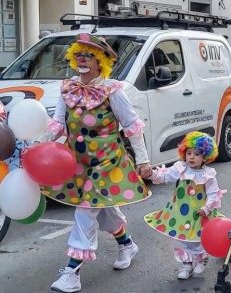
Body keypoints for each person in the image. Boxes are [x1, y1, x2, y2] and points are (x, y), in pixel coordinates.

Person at [41, 33, 151, 293]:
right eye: (78, 54)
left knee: (86, 210)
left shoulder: (112, 90)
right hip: (78, 162)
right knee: (105, 210)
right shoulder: (67, 88)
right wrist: (39, 144)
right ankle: (127, 244)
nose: (82, 59)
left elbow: (132, 127)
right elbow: (57, 123)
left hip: (107, 162)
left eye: (89, 55)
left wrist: (144, 161)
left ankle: (72, 272)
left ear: (100, 61)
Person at [140, 131, 225, 280]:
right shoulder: (180, 169)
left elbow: (213, 193)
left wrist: (207, 208)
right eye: (189, 153)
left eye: (197, 154)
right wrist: (151, 174)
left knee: (197, 238)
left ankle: (201, 258)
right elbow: (165, 176)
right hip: (180, 213)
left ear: (205, 157)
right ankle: (186, 264)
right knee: (182, 238)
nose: (191, 157)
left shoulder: (208, 175)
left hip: (199, 214)